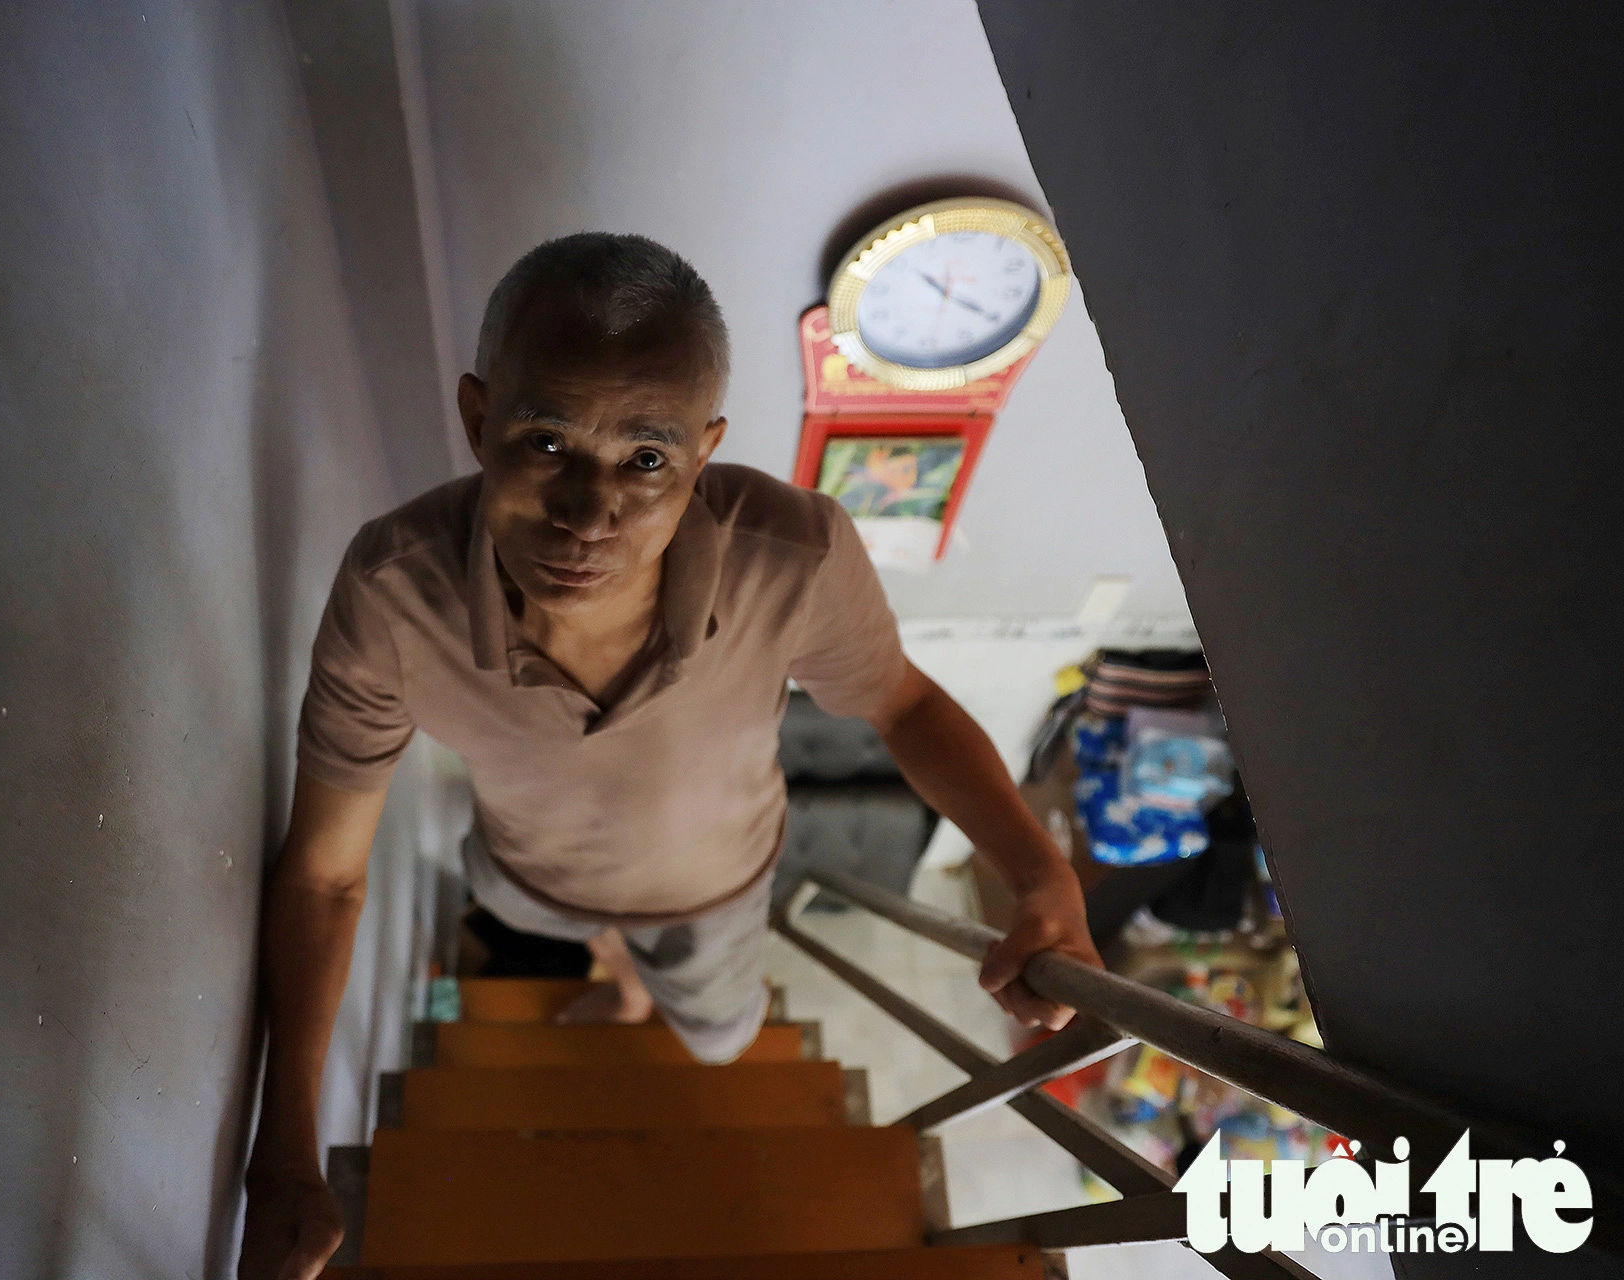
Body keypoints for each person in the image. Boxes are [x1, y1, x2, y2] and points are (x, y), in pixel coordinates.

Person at [237, 233, 1101, 1280]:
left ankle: (653, 985)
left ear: (703, 451)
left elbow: (902, 703)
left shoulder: (796, 555)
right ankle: (620, 973)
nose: (589, 512)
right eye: (546, 441)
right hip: (525, 870)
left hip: (717, 889)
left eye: (646, 459)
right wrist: (279, 1153)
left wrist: (1040, 872)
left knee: (725, 1040)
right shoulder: (390, 594)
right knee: (578, 931)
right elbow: (326, 871)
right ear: (478, 420)